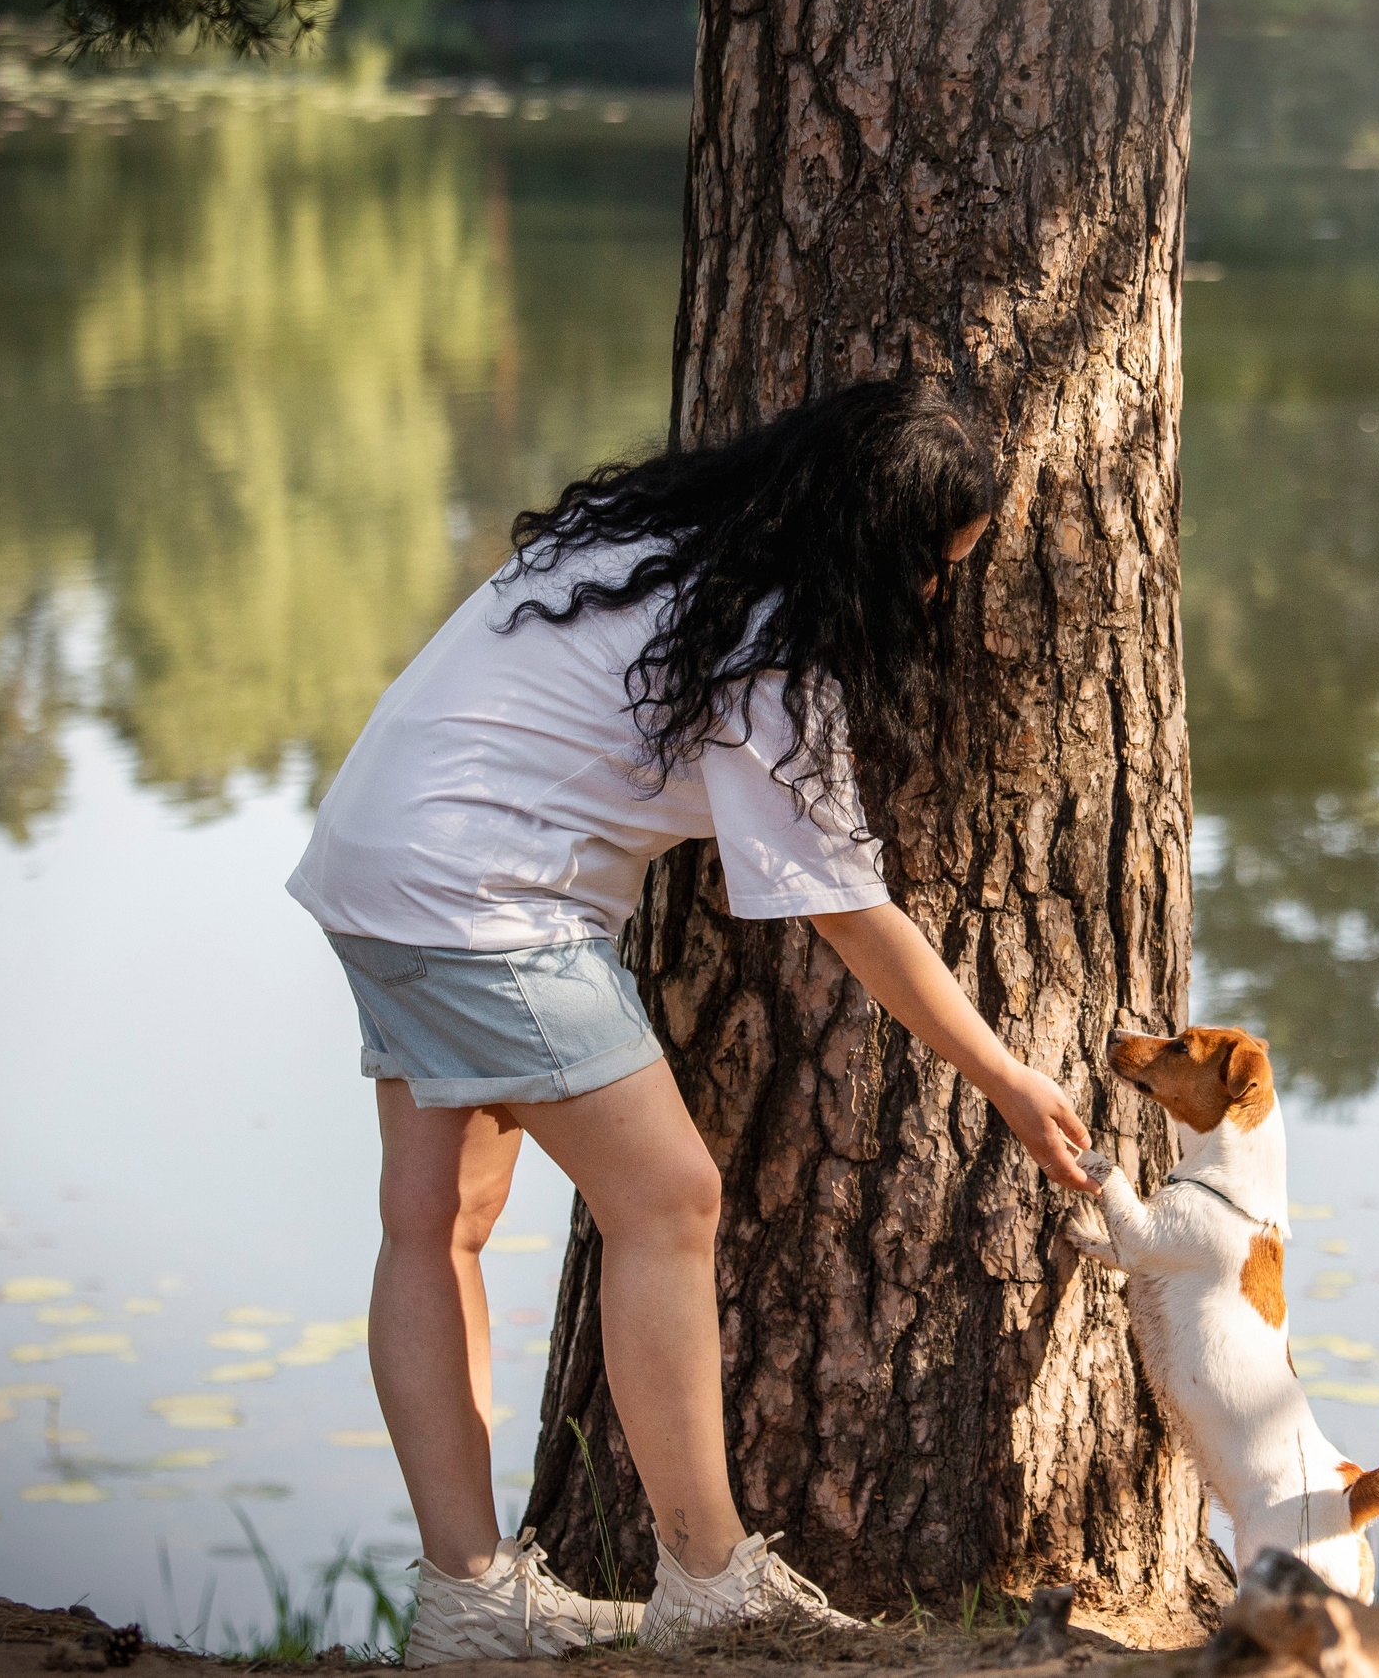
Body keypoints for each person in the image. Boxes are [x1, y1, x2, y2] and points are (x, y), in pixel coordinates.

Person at [286, 378, 1101, 1661]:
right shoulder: (764, 648)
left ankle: (466, 1601)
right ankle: (709, 1579)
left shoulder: (646, 540)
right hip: (480, 901)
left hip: (374, 864)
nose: (934, 594)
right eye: (931, 567)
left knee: (436, 1224)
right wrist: (1005, 1077)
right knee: (668, 1199)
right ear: (866, 547)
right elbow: (850, 915)